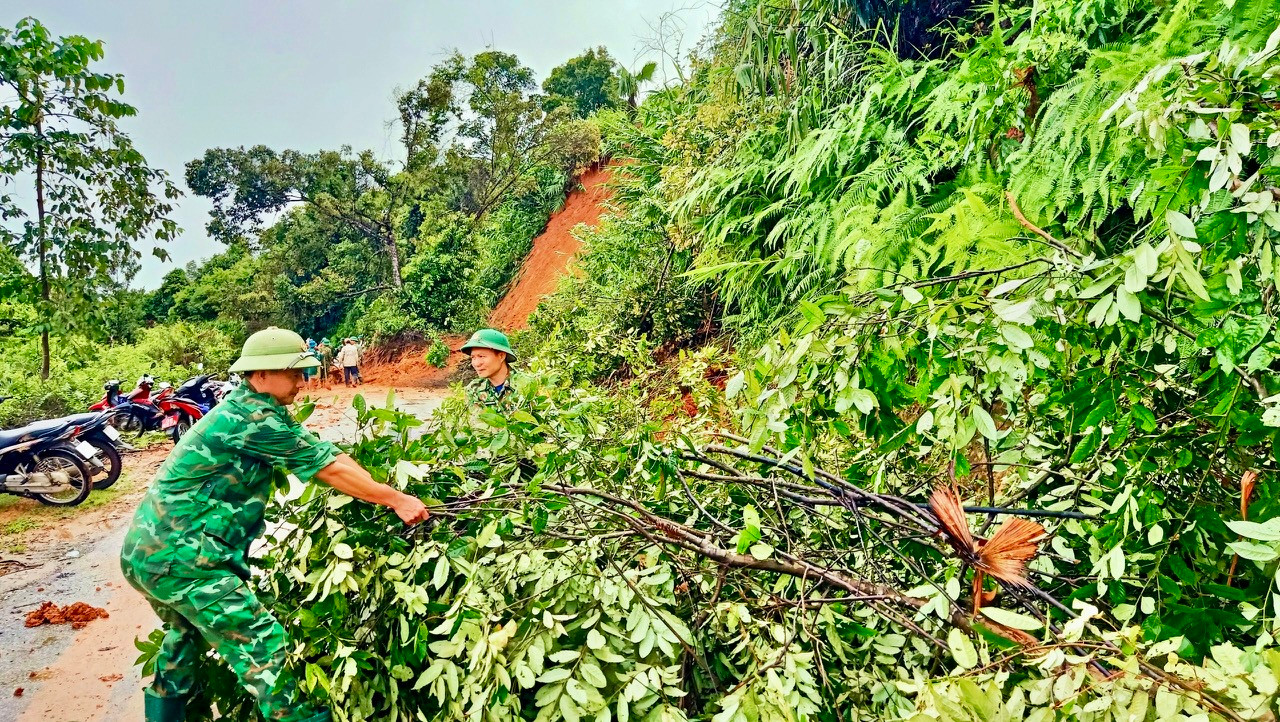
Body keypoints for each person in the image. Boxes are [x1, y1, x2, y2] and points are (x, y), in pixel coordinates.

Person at [119, 327, 430, 722]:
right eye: (293, 373)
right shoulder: (252, 419)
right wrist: (396, 499)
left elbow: (325, 453)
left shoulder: (256, 410)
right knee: (265, 648)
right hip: (184, 562)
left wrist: (383, 493)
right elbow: (327, 471)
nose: (301, 382)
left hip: (149, 556)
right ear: (260, 374)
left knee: (184, 639)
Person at [460, 328, 525, 408]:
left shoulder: (526, 385)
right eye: (473, 357)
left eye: (481, 356)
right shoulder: (474, 389)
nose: (477, 363)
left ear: (501, 356)